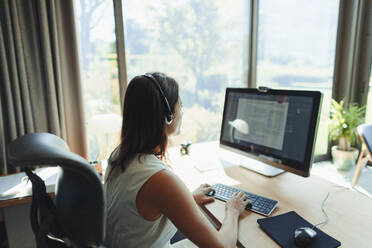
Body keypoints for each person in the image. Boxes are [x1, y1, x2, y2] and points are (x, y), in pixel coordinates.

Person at [104, 72, 250, 248]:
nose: (181, 111)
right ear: (168, 116)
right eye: (179, 105)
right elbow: (222, 246)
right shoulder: (160, 179)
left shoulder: (118, 156)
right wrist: (232, 211)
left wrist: (187, 199)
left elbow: (141, 211)